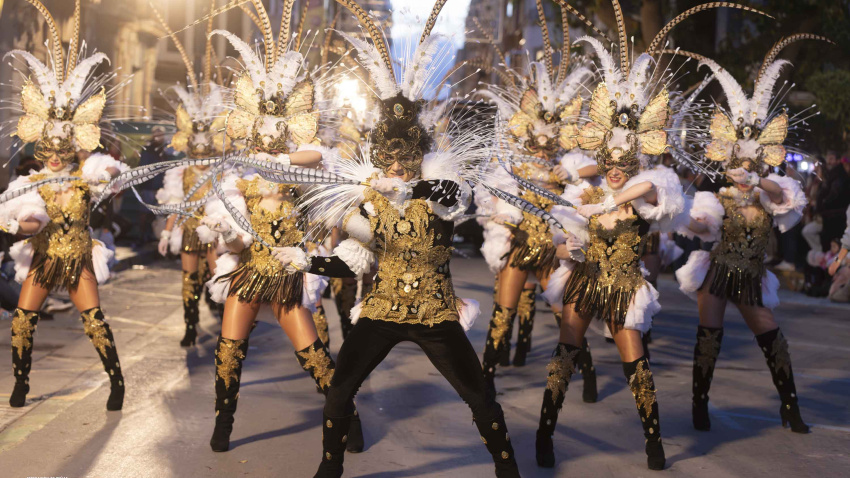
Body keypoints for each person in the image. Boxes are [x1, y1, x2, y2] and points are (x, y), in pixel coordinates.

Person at [276, 1, 521, 476]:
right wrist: (305, 261)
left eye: (406, 162)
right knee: (341, 387)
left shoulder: (440, 192)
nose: (397, 168)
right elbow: (353, 262)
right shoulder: (369, 204)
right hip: (383, 312)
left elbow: (451, 194)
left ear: (419, 158)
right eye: (390, 162)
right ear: (379, 160)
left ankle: (507, 467)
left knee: (478, 394)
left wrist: (410, 187)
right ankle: (329, 468)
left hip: (435, 314)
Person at [199, 0, 364, 454]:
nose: (267, 137)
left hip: (288, 272)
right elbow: (235, 231)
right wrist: (224, 233)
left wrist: (280, 160)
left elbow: (320, 156)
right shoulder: (239, 176)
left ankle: (349, 417)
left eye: (276, 131)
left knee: (313, 358)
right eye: (261, 133)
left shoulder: (297, 167)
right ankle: (223, 424)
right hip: (251, 270)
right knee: (228, 351)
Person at [676, 34, 832, 437]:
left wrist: (758, 179)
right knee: (707, 339)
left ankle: (790, 406)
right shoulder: (720, 200)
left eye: (748, 166)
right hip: (718, 271)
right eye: (736, 167)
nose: (740, 172)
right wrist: (673, 215)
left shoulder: (768, 193)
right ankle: (699, 404)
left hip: (750, 276)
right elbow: (699, 228)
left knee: (771, 337)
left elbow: (784, 196)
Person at [0, 0, 131, 410]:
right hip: (42, 258)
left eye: (62, 149)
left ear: (73, 145)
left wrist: (105, 177)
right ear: (40, 147)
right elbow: (21, 219)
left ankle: (116, 381)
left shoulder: (87, 172)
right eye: (48, 149)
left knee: (94, 321)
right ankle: (21, 383)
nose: (54, 156)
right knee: (22, 320)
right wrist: (23, 227)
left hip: (77, 258)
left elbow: (114, 172)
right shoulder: (30, 182)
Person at [474, 0, 599, 399]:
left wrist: (572, 178)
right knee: (503, 310)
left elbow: (588, 188)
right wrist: (500, 216)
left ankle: (588, 372)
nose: (544, 144)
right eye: (538, 136)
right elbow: (492, 194)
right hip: (519, 244)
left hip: (550, 246)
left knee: (565, 312)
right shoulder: (513, 164)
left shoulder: (568, 165)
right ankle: (486, 379)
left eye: (551, 136)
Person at [152, 4, 230, 347]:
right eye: (195, 152)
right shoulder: (181, 170)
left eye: (205, 151)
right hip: (186, 228)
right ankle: (189, 326)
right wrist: (168, 232)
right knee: (187, 279)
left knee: (217, 274)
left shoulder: (221, 170)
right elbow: (175, 202)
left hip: (211, 230)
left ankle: (227, 321)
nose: (200, 157)